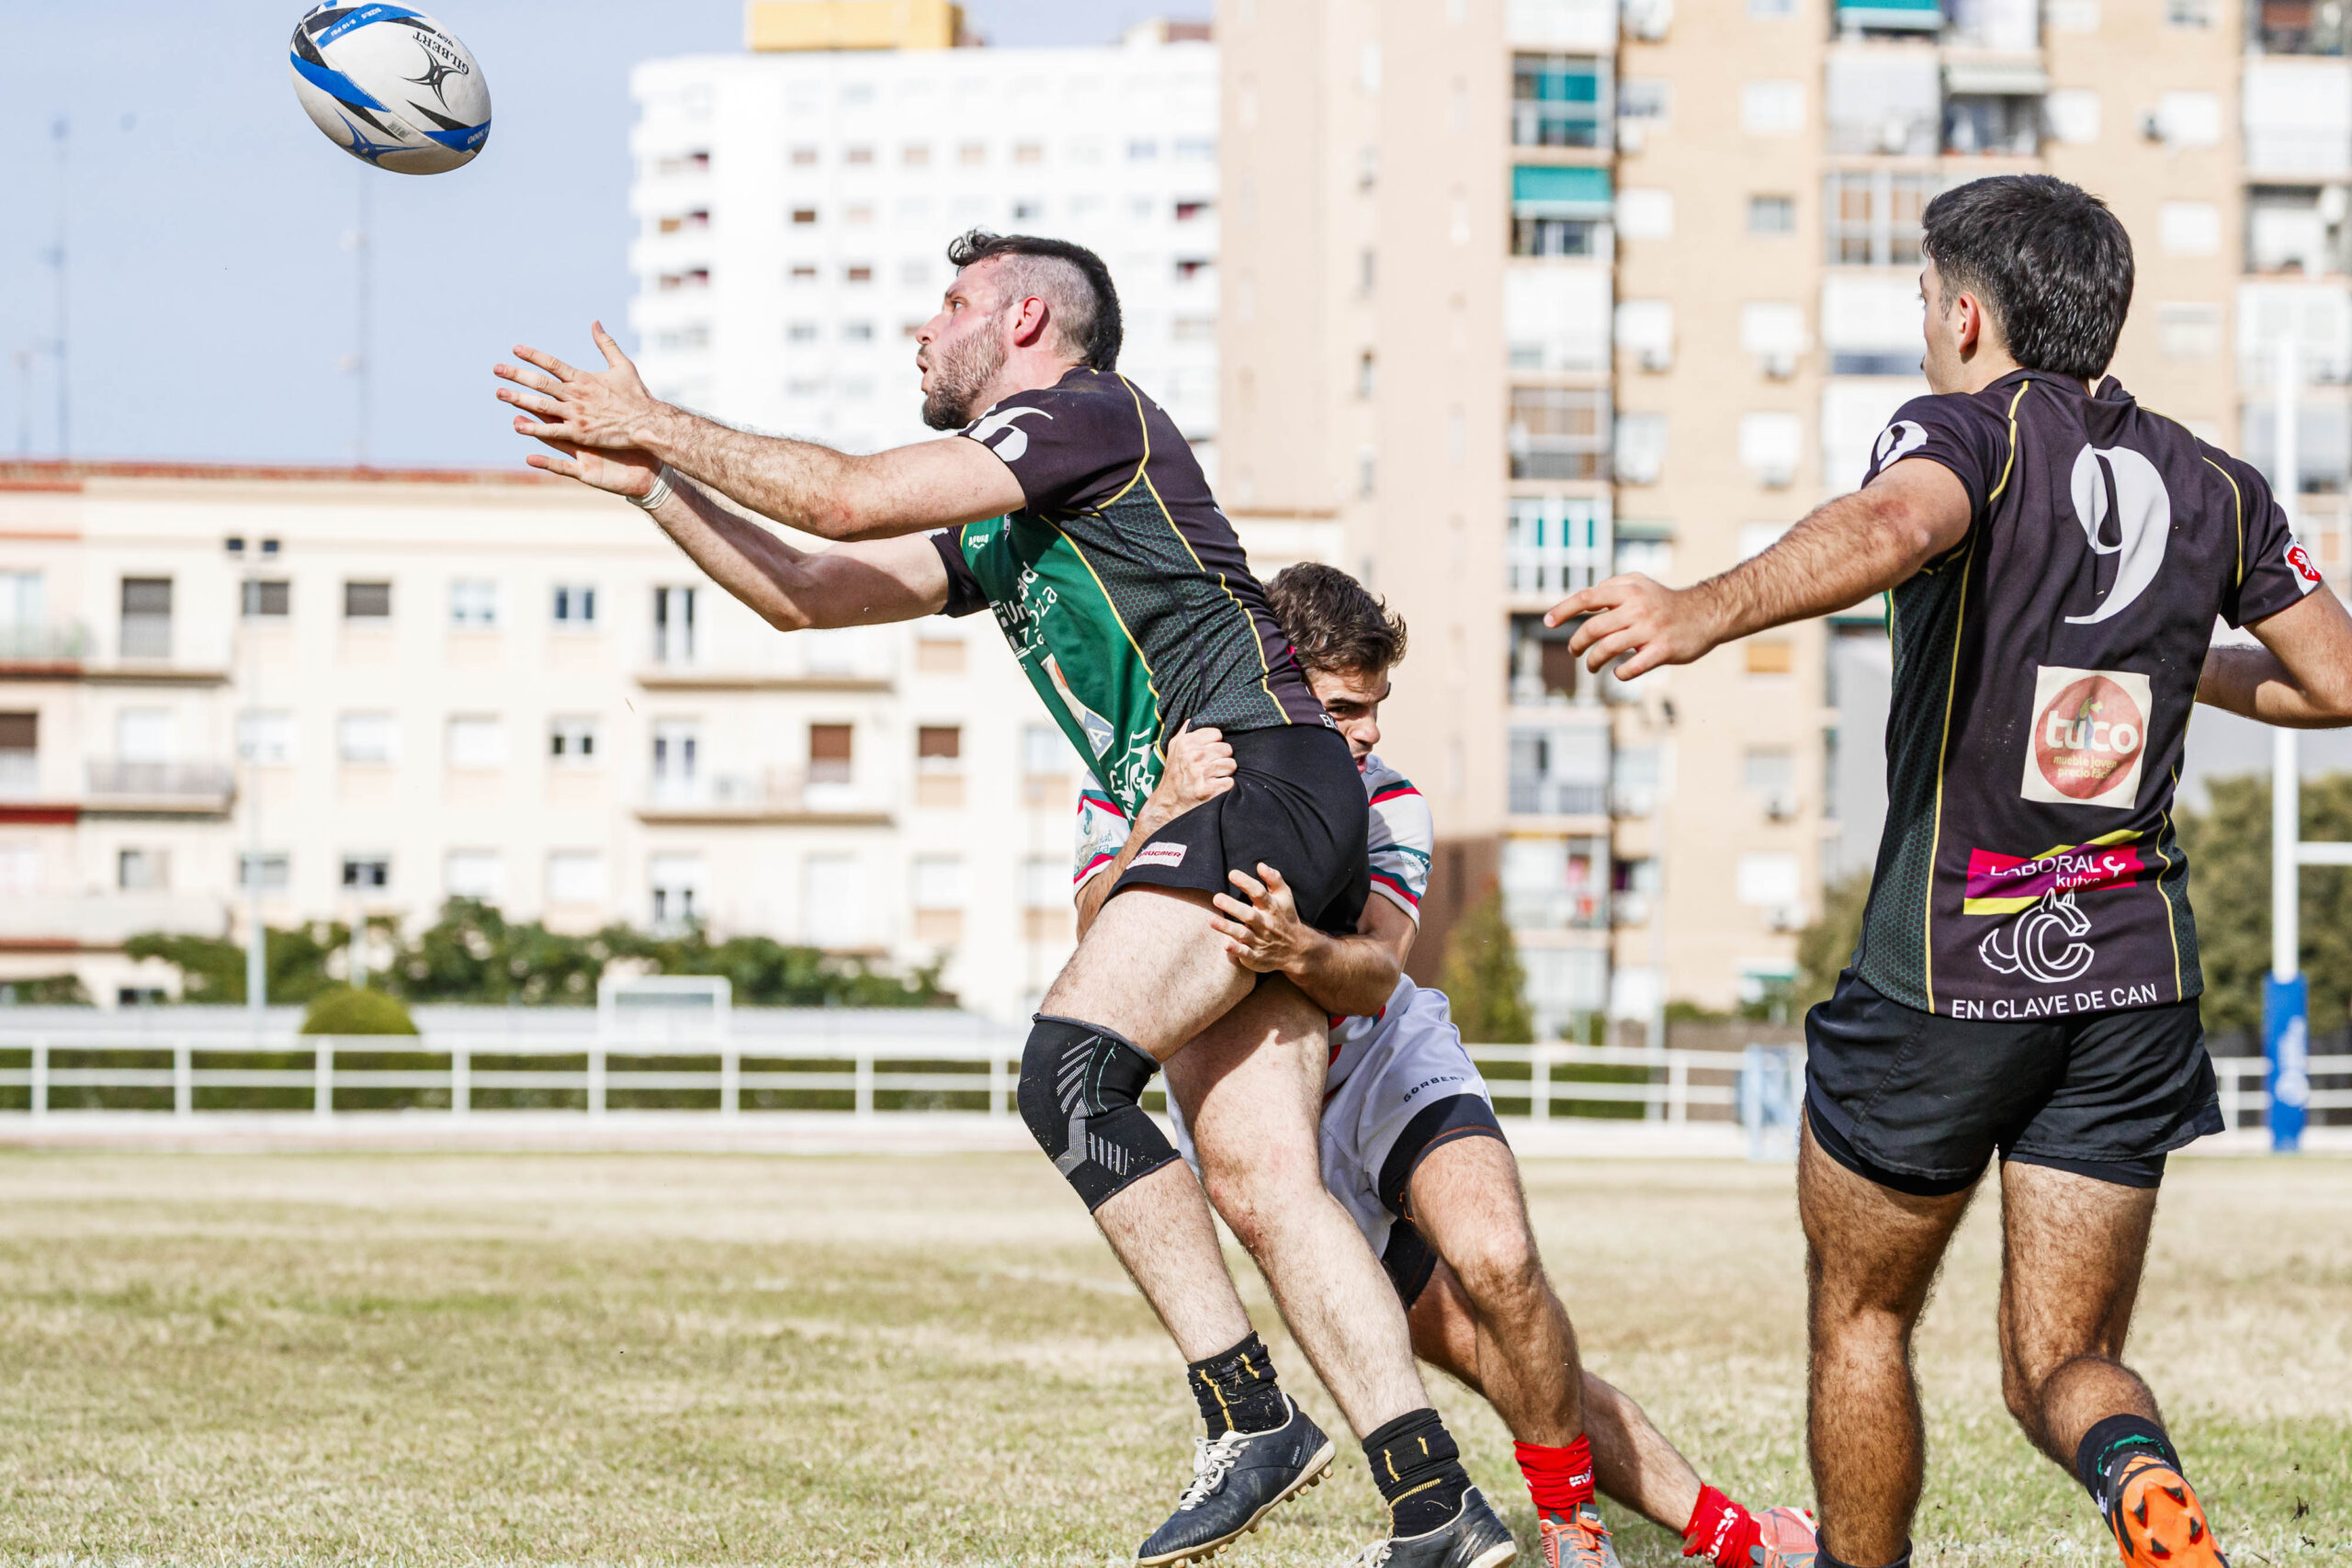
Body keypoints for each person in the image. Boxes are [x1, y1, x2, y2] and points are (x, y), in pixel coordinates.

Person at [496, 231, 1513, 1568]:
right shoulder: (1009, 514)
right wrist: (656, 484)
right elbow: (809, 592)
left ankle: (1250, 1414)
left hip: (1256, 773)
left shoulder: (1087, 416)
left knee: (1067, 1074)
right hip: (1270, 796)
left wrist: (659, 416)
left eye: (953, 300)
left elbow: (852, 497)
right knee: (1262, 1180)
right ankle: (1435, 1499)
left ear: (1027, 318)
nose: (926, 325)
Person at [1544, 174, 2352, 1568]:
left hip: (1949, 967)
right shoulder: (2218, 482)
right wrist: (2166, 664)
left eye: (1924, 300)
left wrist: (1700, 608)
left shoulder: (1958, 429)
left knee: (1862, 1314)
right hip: (2130, 978)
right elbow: (2335, 680)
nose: (1924, 324)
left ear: (1968, 312)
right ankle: (2142, 1483)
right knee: (2065, 1357)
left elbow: (1892, 525)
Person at [1076, 563, 1822, 1568]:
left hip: (1384, 1062)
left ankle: (1572, 1527)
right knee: (1477, 1350)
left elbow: (1375, 971)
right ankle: (1731, 1534)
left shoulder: (1387, 800)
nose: (1369, 730)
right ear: (1279, 690)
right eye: (1345, 706)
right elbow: (1094, 946)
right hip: (1271, 1133)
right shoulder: (1139, 777)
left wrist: (1299, 951)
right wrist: (1161, 815)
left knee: (1502, 1265)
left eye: (1377, 706)